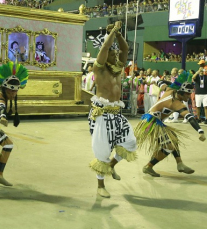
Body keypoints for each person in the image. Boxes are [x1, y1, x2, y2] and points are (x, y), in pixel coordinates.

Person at [88, 21, 137, 198]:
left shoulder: (118, 68)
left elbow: (125, 49)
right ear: (105, 54)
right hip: (101, 115)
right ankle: (100, 185)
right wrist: (113, 31)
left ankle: (111, 166)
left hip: (117, 114)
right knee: (102, 151)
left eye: (116, 52)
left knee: (130, 142)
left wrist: (119, 34)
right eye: (112, 52)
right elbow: (105, 47)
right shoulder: (98, 68)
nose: (116, 53)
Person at [135, 71, 206, 177]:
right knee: (169, 146)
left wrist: (170, 84)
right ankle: (148, 166)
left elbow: (159, 81)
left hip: (151, 121)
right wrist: (200, 131)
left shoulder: (169, 90)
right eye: (187, 94)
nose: (189, 96)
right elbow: (190, 118)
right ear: (181, 92)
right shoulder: (177, 104)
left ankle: (180, 164)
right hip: (151, 123)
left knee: (173, 138)